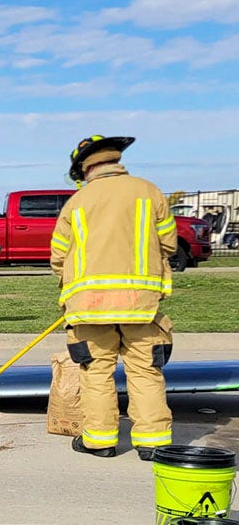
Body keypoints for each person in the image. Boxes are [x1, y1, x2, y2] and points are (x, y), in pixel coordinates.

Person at [51, 135, 174, 460]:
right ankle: (153, 442)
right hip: (142, 306)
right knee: (146, 371)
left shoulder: (78, 202)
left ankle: (100, 440)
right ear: (115, 161)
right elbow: (169, 244)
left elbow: (58, 256)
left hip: (89, 308)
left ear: (83, 169)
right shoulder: (149, 192)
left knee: (96, 373)